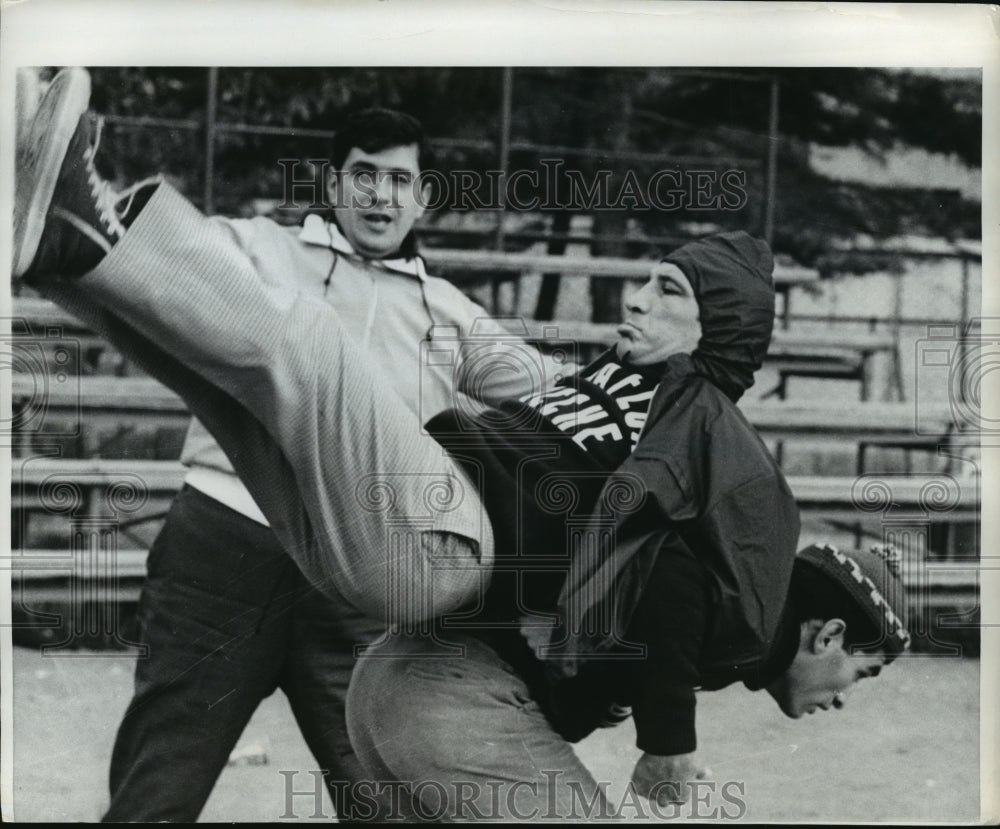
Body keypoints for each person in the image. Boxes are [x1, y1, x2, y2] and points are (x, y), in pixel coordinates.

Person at [14, 69, 909, 822]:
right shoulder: (632, 391)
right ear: (331, 185)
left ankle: (89, 233)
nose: (632, 301)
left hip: (419, 568)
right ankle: (67, 252)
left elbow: (621, 505)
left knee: (299, 364)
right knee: (239, 382)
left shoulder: (688, 423)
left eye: (664, 289)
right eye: (362, 175)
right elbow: (659, 565)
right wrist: (666, 741)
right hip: (376, 543)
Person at [14, 69, 569, 822]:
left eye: (399, 180)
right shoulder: (255, 247)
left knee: (385, 795)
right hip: (224, 544)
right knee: (159, 787)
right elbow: (159, 270)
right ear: (333, 184)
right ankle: (48, 214)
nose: (380, 196)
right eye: (364, 175)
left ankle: (57, 228)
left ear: (424, 197)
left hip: (351, 573)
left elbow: (555, 390)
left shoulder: (450, 313)